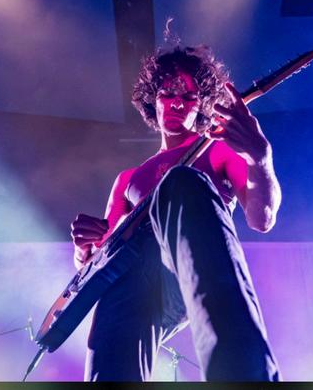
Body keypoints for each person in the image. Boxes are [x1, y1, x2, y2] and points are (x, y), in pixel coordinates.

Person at [70, 42, 282, 381]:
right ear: (153, 99)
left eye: (188, 96)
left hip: (187, 266)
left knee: (180, 180)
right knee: (111, 312)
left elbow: (262, 218)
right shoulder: (126, 180)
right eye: (167, 93)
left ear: (203, 105)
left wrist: (260, 159)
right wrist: (83, 250)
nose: (177, 102)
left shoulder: (218, 150)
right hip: (130, 284)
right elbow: (100, 259)